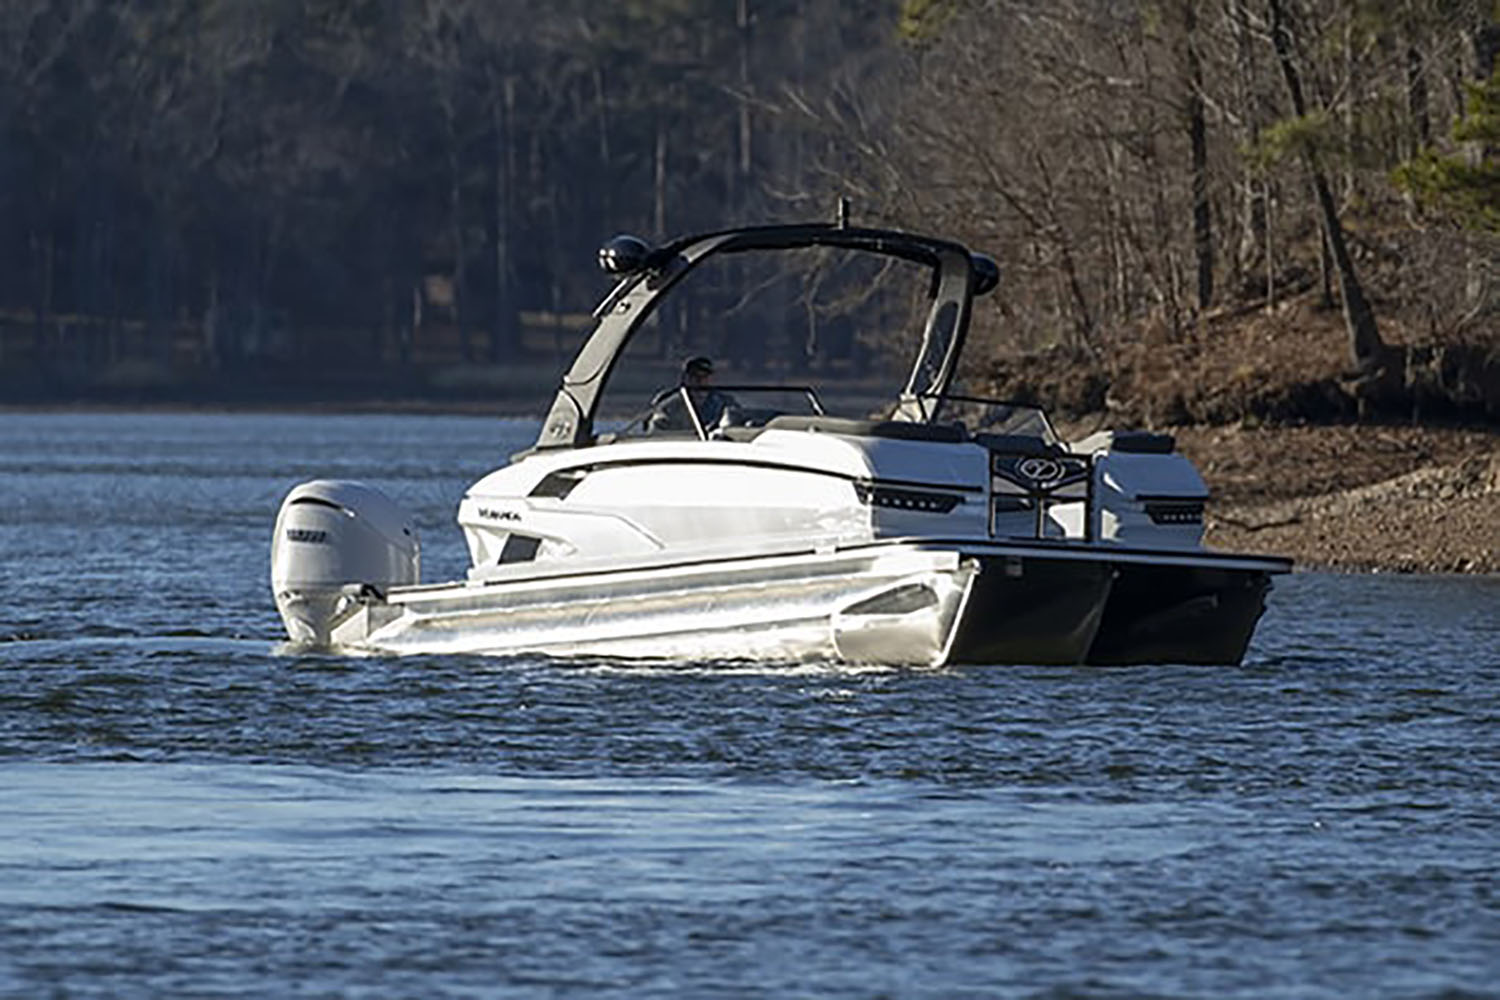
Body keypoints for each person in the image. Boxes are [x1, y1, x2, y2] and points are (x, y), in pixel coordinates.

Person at [647, 356, 736, 434]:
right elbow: (655, 428)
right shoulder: (667, 401)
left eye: (705, 377)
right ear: (685, 378)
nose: (700, 381)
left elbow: (735, 425)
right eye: (694, 376)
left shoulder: (725, 402)